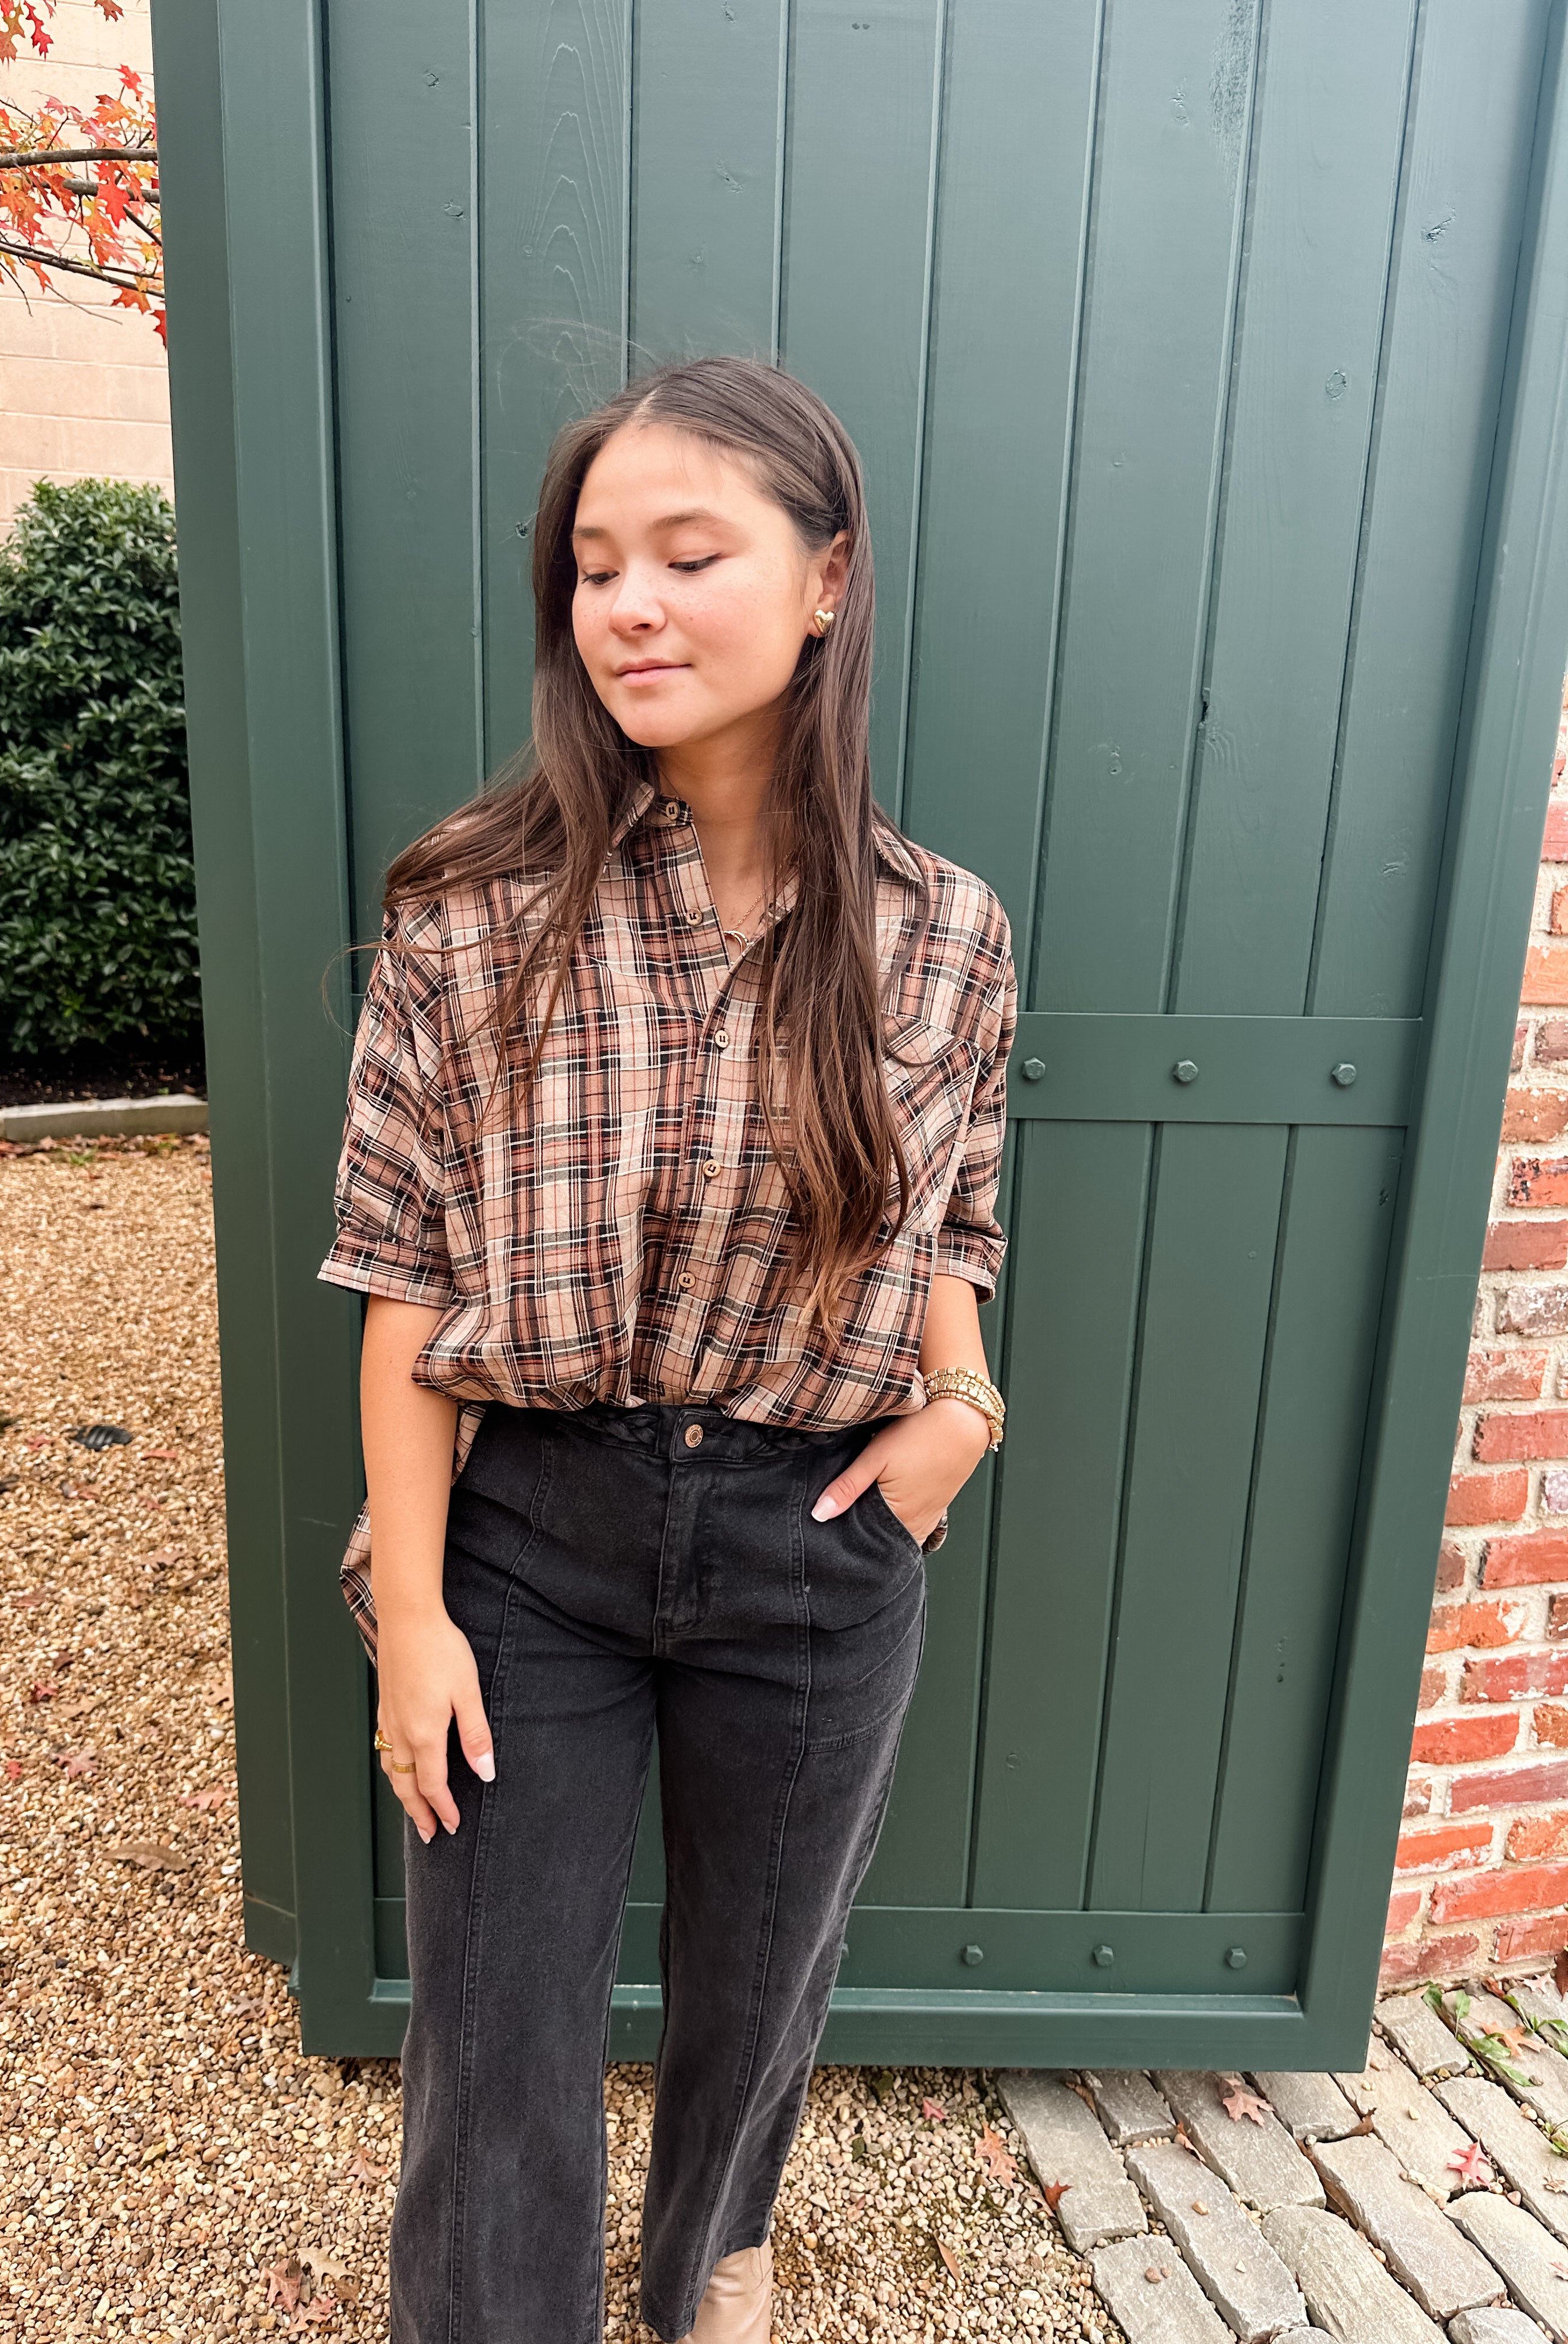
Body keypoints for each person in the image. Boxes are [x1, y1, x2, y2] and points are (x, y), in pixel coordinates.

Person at [318, 355, 1016, 2344]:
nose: (626, 603)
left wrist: (965, 1403)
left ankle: (710, 2249)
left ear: (825, 583)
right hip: (530, 1536)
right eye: (593, 565)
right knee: (498, 2027)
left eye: (689, 553)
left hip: (817, 1537)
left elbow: (949, 1214)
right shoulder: (470, 914)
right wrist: (424, 1607)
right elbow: (400, 1279)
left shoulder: (941, 933)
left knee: (765, 1982)